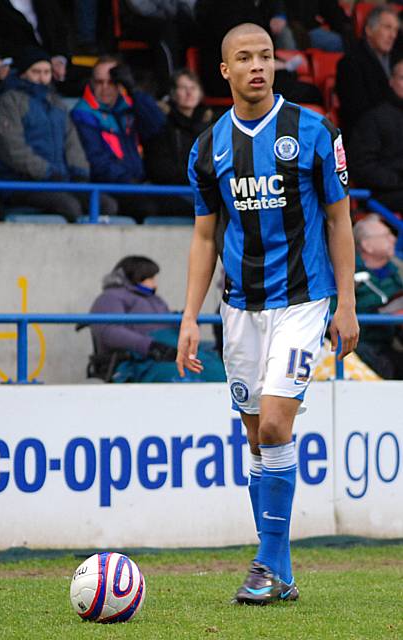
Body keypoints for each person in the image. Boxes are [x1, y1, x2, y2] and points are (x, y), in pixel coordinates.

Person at [176, 22, 359, 604]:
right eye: (244, 58)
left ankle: (267, 564)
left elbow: (339, 217)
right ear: (224, 71)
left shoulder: (312, 131)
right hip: (239, 311)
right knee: (258, 441)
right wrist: (188, 317)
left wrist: (347, 303)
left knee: (278, 424)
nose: (258, 65)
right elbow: (205, 238)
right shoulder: (207, 149)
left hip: (304, 303)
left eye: (267, 56)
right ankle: (279, 574)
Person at [0, 48, 117, 222]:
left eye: (46, 72)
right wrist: (47, 172)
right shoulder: (8, 102)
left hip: (60, 181)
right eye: (36, 72)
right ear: (23, 74)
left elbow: (72, 142)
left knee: (107, 205)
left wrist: (79, 172)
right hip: (22, 184)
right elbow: (12, 149)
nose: (42, 78)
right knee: (70, 207)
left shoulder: (57, 103)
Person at [72, 56, 183, 222]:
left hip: (138, 186)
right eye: (99, 82)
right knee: (148, 208)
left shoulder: (129, 107)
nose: (104, 88)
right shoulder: (83, 113)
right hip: (110, 186)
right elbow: (97, 161)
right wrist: (129, 182)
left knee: (188, 207)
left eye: (111, 82)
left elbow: (158, 124)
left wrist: (133, 89)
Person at [89, 255, 226, 382]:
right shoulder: (111, 297)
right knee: (185, 372)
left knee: (211, 359)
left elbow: (164, 325)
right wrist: (150, 346)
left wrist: (181, 321)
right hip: (140, 360)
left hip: (169, 349)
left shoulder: (155, 300)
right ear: (137, 277)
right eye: (150, 278)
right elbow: (109, 331)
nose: (155, 284)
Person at [144, 69, 212, 214]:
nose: (189, 93)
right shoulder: (161, 125)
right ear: (173, 94)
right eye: (183, 88)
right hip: (173, 191)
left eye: (193, 88)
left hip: (202, 190)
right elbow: (160, 169)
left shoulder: (210, 126)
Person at [336, 6, 400, 139]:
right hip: (368, 141)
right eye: (387, 27)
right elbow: (357, 113)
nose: (393, 35)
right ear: (369, 30)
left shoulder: (397, 61)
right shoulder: (350, 63)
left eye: (395, 30)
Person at [348, 58, 403, 213]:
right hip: (382, 195)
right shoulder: (374, 118)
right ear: (391, 81)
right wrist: (397, 180)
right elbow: (361, 166)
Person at [353, 215, 403, 379]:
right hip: (362, 346)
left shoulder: (398, 269)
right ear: (367, 245)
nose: (393, 239)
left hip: (393, 342)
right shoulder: (346, 273)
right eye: (386, 235)